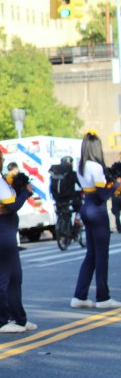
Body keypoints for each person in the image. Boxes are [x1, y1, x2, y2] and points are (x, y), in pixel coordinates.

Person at [0, 138, 37, 333]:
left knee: (15, 276)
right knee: (3, 277)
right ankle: (2, 321)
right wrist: (26, 193)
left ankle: (19, 318)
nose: (3, 159)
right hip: (1, 230)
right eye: (0, 155)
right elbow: (12, 205)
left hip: (4, 230)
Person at [70, 132, 121, 309]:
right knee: (101, 255)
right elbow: (103, 195)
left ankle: (79, 296)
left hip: (86, 208)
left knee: (91, 254)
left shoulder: (80, 165)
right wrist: (116, 184)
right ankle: (103, 297)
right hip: (97, 211)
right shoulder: (96, 167)